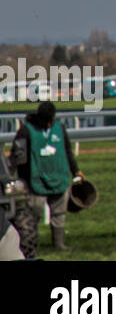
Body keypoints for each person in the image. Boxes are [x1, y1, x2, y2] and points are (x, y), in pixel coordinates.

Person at [8, 101, 82, 255]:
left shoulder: (59, 128)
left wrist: (76, 171)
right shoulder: (26, 131)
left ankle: (59, 243)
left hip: (59, 177)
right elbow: (16, 156)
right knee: (33, 215)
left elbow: (67, 150)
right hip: (35, 181)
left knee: (59, 212)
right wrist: (9, 176)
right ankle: (30, 244)